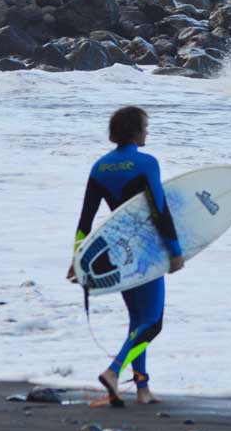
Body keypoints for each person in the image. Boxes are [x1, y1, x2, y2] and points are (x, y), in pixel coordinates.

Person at [67, 106, 184, 407]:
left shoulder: (99, 167)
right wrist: (175, 251)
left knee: (138, 321)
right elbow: (159, 209)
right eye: (145, 126)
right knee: (152, 323)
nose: (148, 131)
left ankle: (143, 389)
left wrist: (77, 260)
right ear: (134, 130)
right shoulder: (146, 163)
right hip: (147, 249)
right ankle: (114, 370)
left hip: (118, 252)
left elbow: (86, 220)